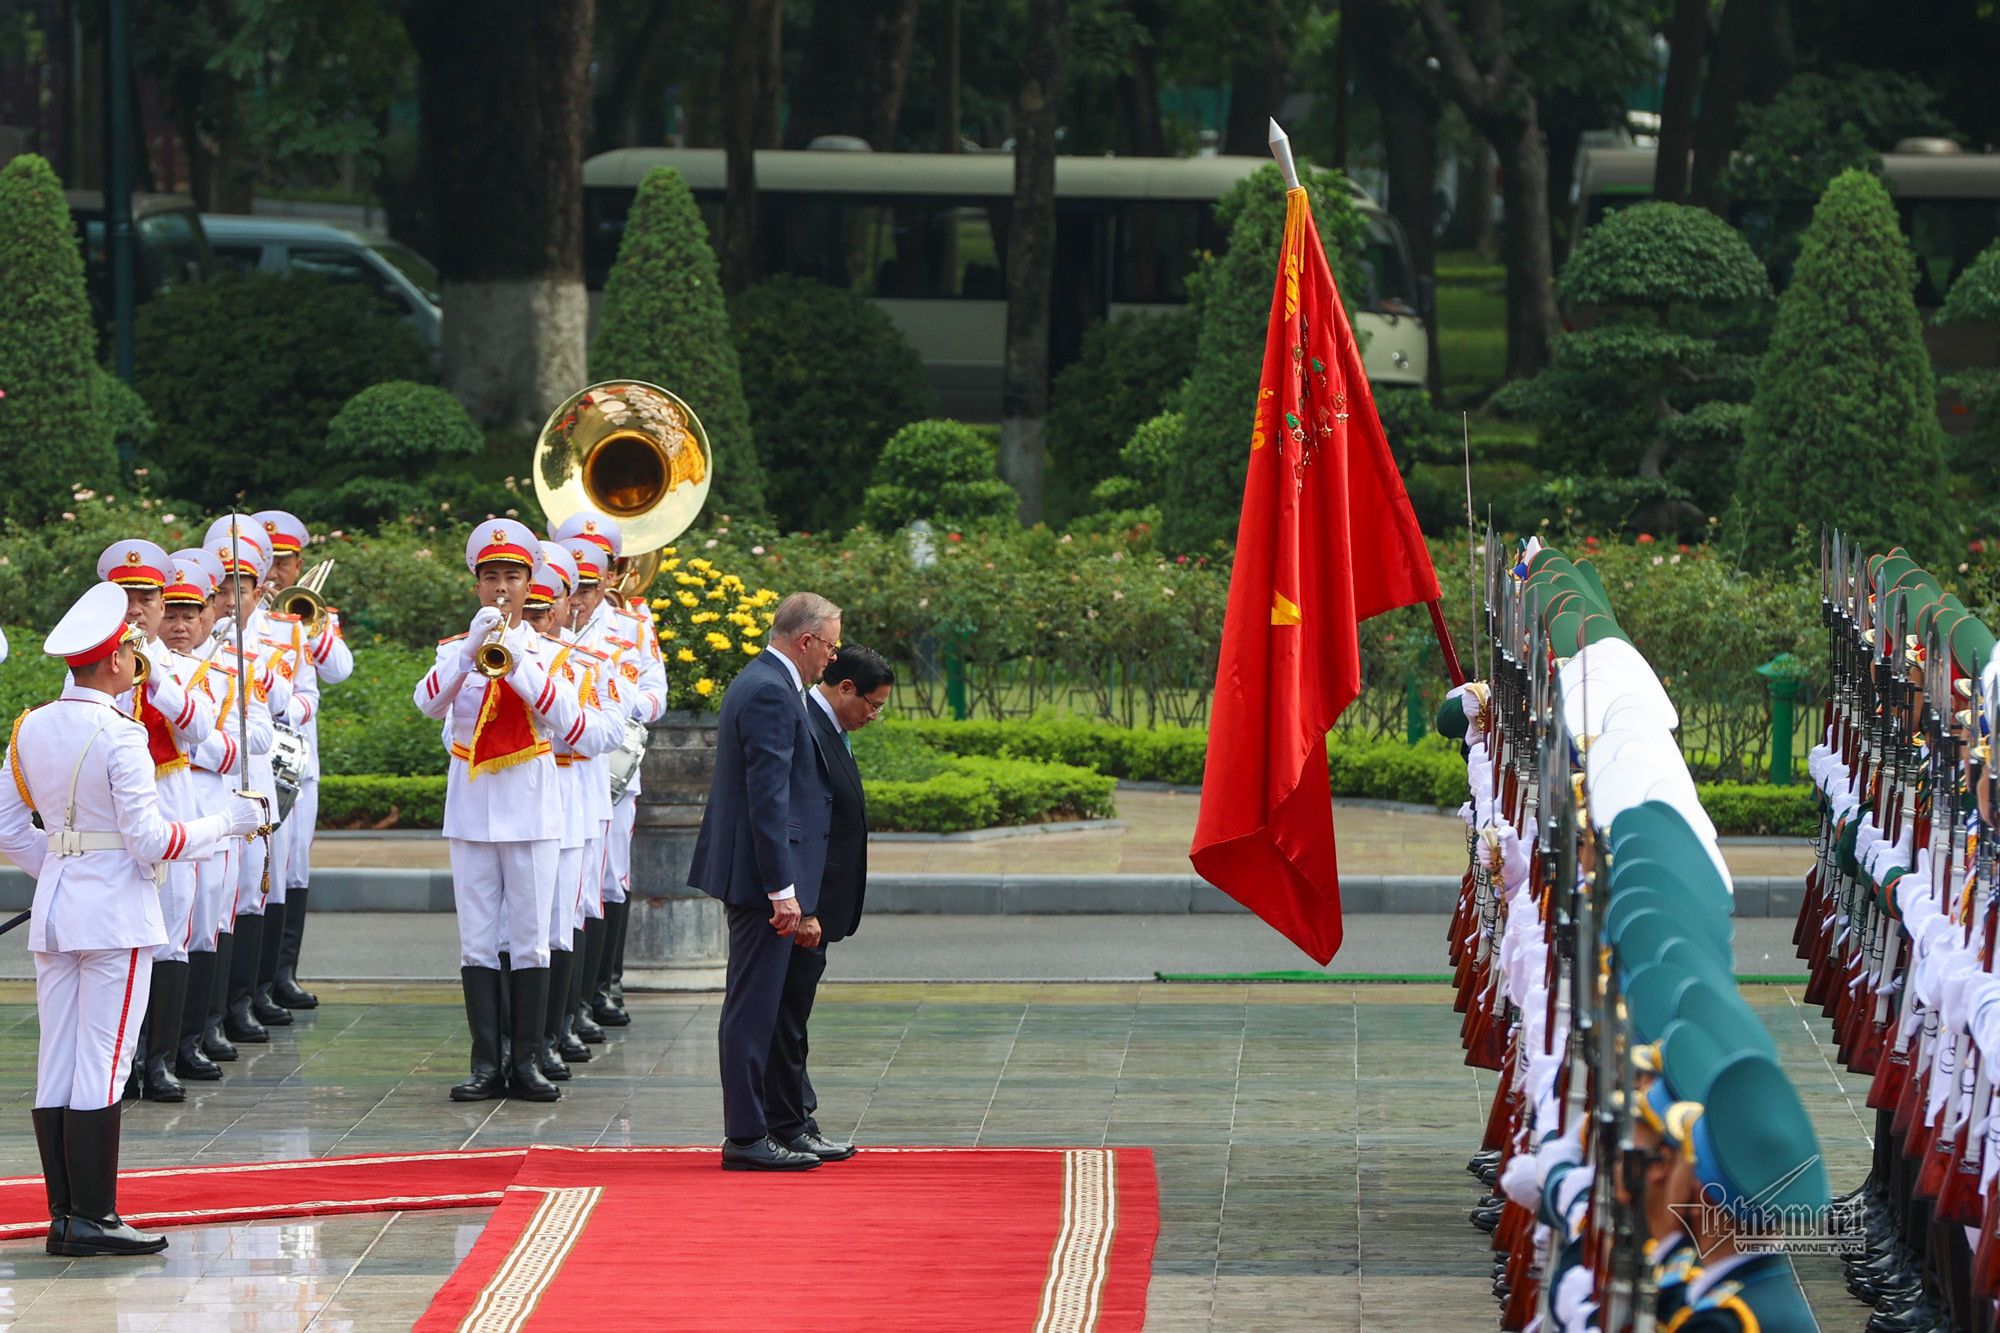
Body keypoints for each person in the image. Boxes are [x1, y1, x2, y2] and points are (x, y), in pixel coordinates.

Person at [0, 582, 261, 1255]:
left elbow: (8, 825)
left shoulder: (29, 725)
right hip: (114, 911)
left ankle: (65, 1214)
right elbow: (148, 840)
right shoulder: (120, 733)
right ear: (115, 659)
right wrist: (226, 823)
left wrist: (61, 864)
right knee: (106, 1059)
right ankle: (94, 1215)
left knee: (58, 1058)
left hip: (59, 910)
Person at [413, 519, 582, 1103]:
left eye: (512, 576)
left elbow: (567, 719)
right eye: (491, 577)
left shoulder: (551, 654)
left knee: (531, 939)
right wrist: (468, 652)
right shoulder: (453, 650)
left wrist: (517, 659)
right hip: (471, 809)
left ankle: (528, 1059)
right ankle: (486, 1062)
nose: (502, 587)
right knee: (479, 942)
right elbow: (427, 703)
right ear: (477, 584)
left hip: (532, 808)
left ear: (530, 581)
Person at [689, 591, 839, 1171]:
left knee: (763, 1007)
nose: (832, 658)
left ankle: (774, 1127)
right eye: (829, 645)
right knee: (752, 1009)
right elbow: (768, 801)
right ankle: (747, 1136)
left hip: (761, 875)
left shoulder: (767, 682)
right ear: (805, 642)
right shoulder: (772, 693)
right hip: (760, 880)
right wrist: (784, 892)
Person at [93, 541, 218, 1104]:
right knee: (121, 939)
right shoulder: (90, 661)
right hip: (111, 806)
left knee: (170, 937)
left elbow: (199, 730)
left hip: (168, 798)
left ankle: (159, 1060)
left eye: (147, 598)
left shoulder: (180, 665)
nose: (137, 608)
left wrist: (156, 675)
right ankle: (119, 1061)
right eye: (126, 597)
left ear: (163, 602)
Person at [771, 643, 894, 1162]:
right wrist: (807, 904)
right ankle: (788, 1123)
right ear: (845, 688)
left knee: (794, 1016)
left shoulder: (832, 728)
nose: (874, 714)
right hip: (801, 908)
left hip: (817, 905)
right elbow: (800, 825)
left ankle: (798, 1118)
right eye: (872, 704)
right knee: (786, 1020)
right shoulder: (806, 725)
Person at [253, 509, 355, 1015]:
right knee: (258, 869)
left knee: (293, 866)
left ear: (299, 566)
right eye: (268, 562)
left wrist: (312, 625)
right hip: (246, 759)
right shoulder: (234, 616)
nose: (275, 573)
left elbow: (338, 672)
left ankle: (283, 974)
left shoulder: (311, 614)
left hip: (296, 762)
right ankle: (252, 983)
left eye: (285, 563)